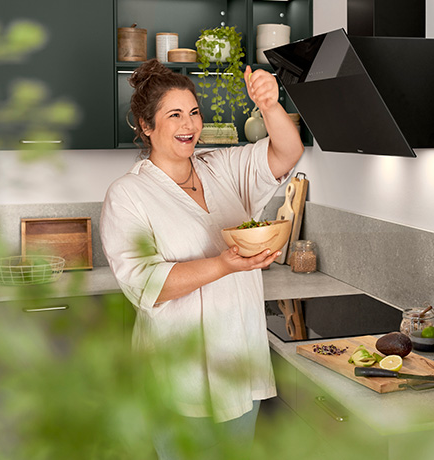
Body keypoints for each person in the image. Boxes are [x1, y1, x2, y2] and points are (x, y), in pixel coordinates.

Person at [99, 58, 304, 459]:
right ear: (145, 125)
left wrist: (269, 106)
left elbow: (287, 151)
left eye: (193, 113)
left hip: (239, 363)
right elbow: (146, 286)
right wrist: (225, 264)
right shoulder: (128, 195)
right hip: (179, 374)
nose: (189, 125)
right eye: (174, 115)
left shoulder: (221, 167)